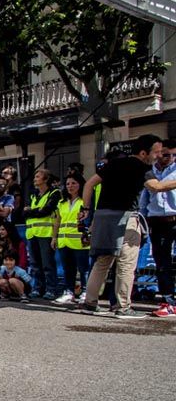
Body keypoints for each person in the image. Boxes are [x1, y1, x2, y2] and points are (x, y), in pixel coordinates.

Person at [80, 134, 162, 317]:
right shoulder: (142, 168)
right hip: (125, 216)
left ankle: (90, 302)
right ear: (143, 153)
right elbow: (156, 187)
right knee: (126, 263)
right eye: (156, 152)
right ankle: (122, 307)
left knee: (102, 261)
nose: (158, 156)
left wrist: (85, 208)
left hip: (102, 216)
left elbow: (89, 185)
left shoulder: (113, 164)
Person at [140, 139, 176, 316]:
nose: (169, 158)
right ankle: (167, 300)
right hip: (157, 220)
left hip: (174, 217)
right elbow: (146, 197)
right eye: (166, 154)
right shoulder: (149, 172)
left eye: (173, 155)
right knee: (162, 262)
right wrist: (142, 219)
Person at [22, 169, 62, 299]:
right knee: (35, 264)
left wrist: (32, 211)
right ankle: (38, 288)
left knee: (47, 264)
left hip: (45, 233)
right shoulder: (33, 194)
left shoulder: (54, 193)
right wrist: (35, 211)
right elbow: (24, 212)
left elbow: (46, 210)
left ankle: (51, 289)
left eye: (38, 177)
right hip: (32, 233)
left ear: (45, 179)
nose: (35, 179)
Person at [51, 173, 90, 305]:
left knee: (83, 268)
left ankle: (85, 292)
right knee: (68, 268)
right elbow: (57, 221)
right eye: (68, 184)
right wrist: (54, 237)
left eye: (74, 183)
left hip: (79, 240)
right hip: (64, 240)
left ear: (80, 185)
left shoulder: (84, 201)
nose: (70, 186)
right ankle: (69, 292)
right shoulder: (62, 202)